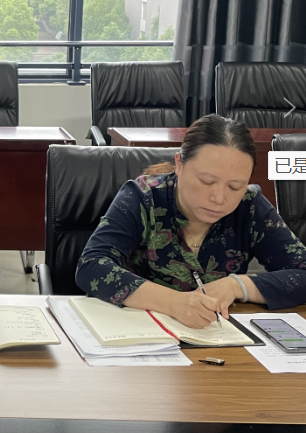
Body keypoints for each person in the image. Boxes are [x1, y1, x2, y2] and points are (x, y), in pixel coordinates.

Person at [76, 114, 306, 328]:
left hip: (215, 335)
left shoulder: (250, 204)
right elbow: (92, 265)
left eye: (235, 186)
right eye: (206, 181)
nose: (219, 198)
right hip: (140, 331)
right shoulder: (142, 197)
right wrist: (173, 303)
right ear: (179, 164)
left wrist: (237, 285)